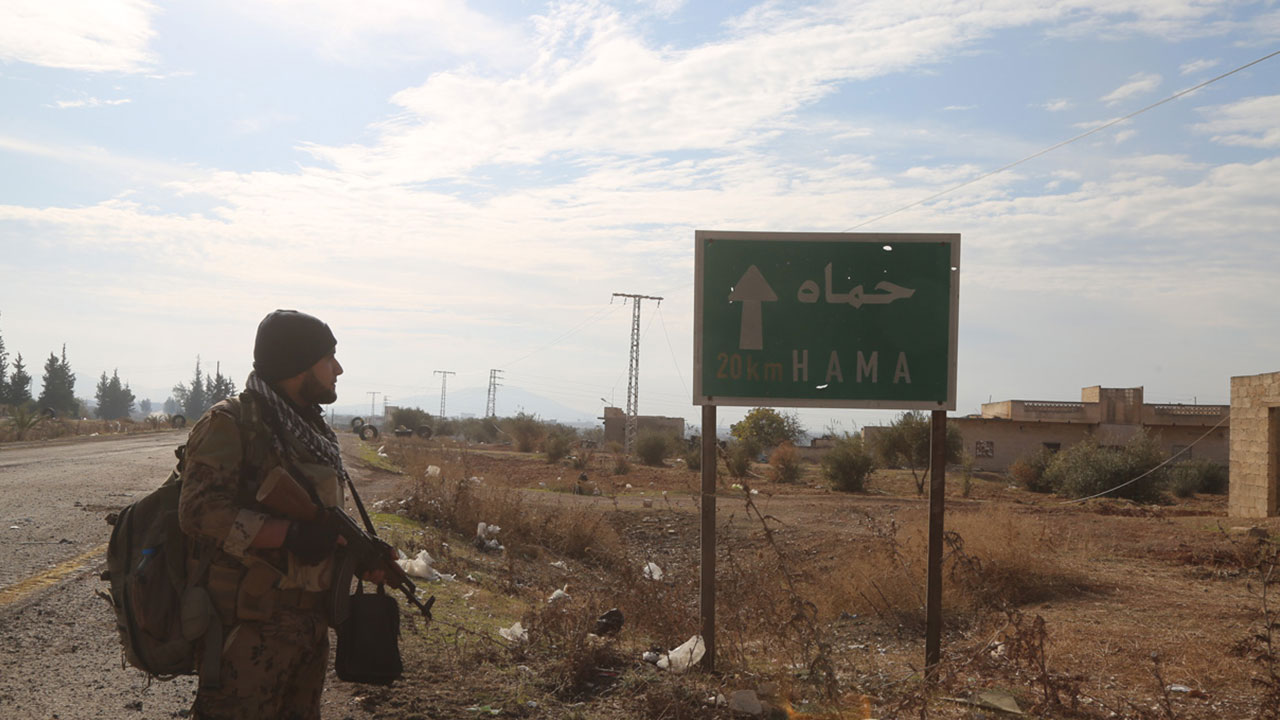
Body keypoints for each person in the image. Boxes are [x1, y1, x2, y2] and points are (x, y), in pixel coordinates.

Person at [178, 309, 356, 720]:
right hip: (249, 624)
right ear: (298, 364)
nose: (338, 369)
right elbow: (199, 512)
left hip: (308, 625)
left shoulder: (311, 429)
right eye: (328, 358)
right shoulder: (231, 423)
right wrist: (289, 535)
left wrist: (357, 556)